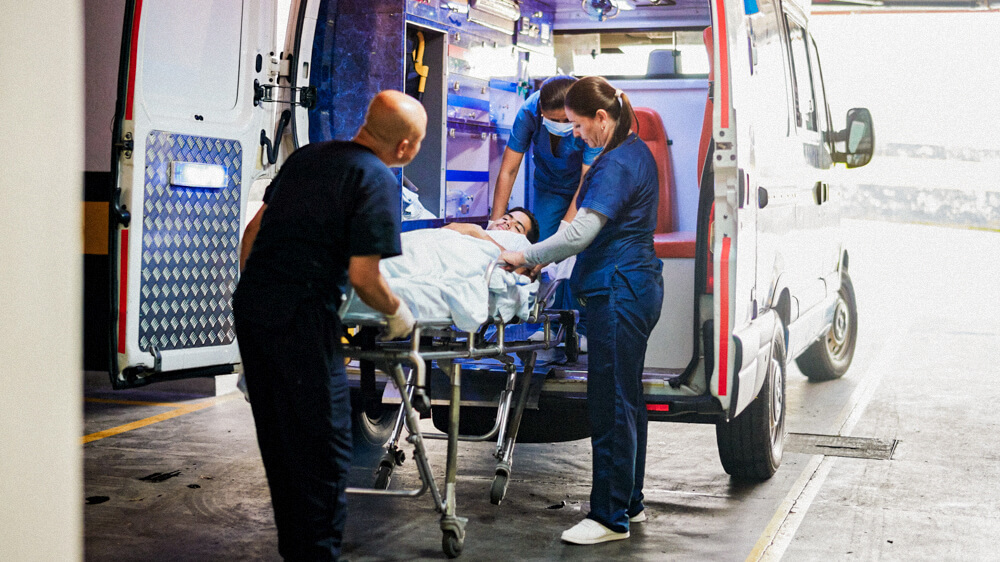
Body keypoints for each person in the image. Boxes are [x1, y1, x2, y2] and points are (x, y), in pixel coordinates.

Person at [232, 90, 427, 561]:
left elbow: (252, 233)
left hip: (254, 310)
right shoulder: (377, 177)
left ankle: (296, 552)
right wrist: (398, 314)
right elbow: (365, 277)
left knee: (279, 442)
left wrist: (260, 290)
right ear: (404, 148)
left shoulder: (306, 158)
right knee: (323, 451)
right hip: (302, 318)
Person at [499, 76, 664, 545]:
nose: (573, 134)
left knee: (610, 401)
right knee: (626, 399)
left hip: (619, 290)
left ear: (601, 119)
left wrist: (525, 255)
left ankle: (609, 518)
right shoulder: (630, 154)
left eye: (576, 125)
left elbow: (578, 234)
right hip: (632, 287)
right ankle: (629, 501)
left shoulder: (616, 165)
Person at [491, 76, 602, 241]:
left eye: (567, 120)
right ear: (541, 110)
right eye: (554, 120)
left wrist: (565, 229)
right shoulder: (529, 112)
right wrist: (493, 225)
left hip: (589, 189)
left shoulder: (589, 116)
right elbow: (509, 170)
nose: (562, 124)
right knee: (541, 245)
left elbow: (586, 180)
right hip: (550, 188)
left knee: (579, 243)